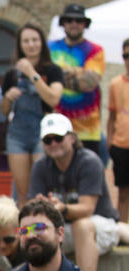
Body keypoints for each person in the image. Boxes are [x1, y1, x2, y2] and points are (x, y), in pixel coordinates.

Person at [28, 113, 121, 271]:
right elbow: (31, 208)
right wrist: (40, 208)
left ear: (72, 138)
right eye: (48, 140)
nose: (54, 143)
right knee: (29, 229)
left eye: (58, 137)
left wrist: (60, 208)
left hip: (99, 225)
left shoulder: (89, 161)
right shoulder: (40, 166)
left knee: (82, 225)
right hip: (62, 228)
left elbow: (87, 209)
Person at [2, 23, 64, 204]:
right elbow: (4, 111)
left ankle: (42, 230)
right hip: (17, 135)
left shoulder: (53, 70)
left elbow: (53, 99)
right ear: (20, 45)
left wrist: (32, 73)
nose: (31, 44)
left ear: (42, 43)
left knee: (40, 192)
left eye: (35, 40)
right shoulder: (12, 74)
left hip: (43, 134)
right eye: (26, 41)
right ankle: (24, 231)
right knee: (22, 192)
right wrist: (7, 97)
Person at [50, 3, 105, 158]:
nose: (73, 24)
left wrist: (57, 75)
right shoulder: (50, 48)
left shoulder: (95, 50)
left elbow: (88, 83)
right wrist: (78, 72)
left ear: (85, 24)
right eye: (69, 20)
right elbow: (43, 77)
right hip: (57, 128)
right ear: (63, 23)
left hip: (88, 129)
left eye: (78, 21)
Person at [109, 37, 129, 224]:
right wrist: (109, 142)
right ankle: (124, 230)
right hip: (121, 144)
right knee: (123, 191)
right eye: (126, 55)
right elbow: (112, 116)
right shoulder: (116, 83)